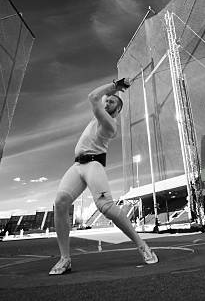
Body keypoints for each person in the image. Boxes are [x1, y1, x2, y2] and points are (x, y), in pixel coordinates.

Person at [49, 78, 158, 275]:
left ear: (118, 110)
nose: (107, 103)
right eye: (107, 101)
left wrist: (115, 86)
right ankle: (65, 259)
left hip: (93, 165)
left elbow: (93, 97)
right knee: (60, 202)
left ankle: (143, 246)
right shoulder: (97, 118)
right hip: (77, 165)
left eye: (112, 102)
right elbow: (97, 98)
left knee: (105, 206)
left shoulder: (110, 123)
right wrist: (112, 89)